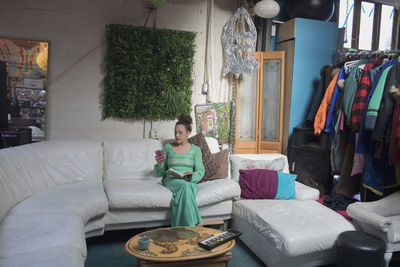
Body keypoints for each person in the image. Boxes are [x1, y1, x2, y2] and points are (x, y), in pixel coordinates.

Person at [154, 114, 205, 226]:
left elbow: (201, 170)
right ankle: (193, 226)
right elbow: (159, 172)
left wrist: (189, 178)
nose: (176, 135)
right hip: (172, 181)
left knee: (186, 187)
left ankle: (179, 229)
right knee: (185, 187)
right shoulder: (168, 147)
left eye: (180, 133)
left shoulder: (196, 150)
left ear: (188, 132)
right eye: (175, 132)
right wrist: (159, 164)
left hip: (189, 182)